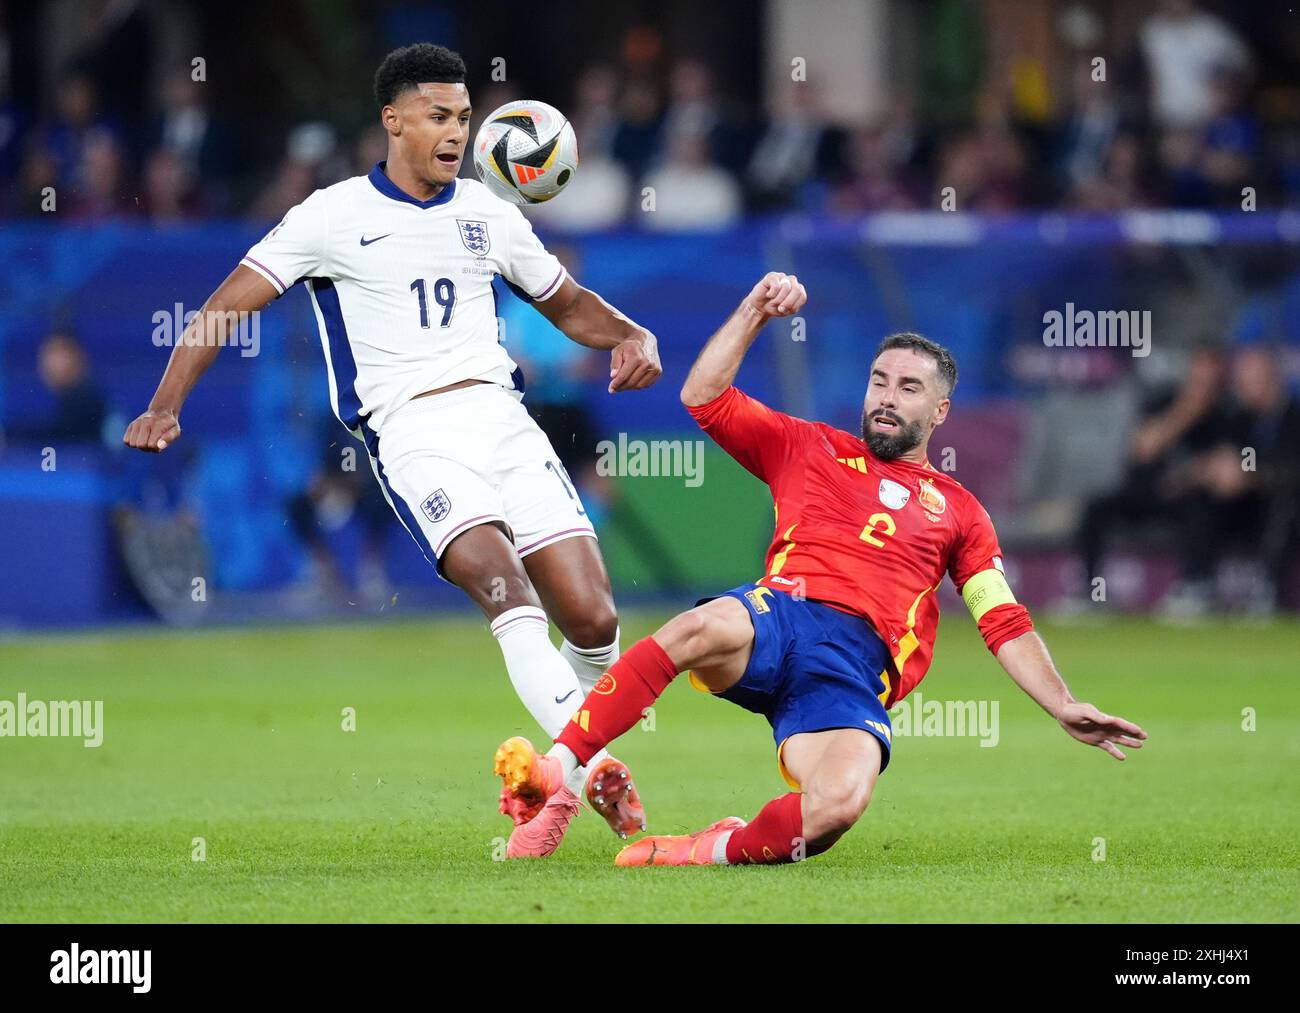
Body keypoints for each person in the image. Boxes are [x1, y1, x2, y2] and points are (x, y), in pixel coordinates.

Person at [123, 43, 663, 859]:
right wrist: (166, 404)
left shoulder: (489, 210)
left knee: (593, 616)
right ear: (394, 119)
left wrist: (629, 334)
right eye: (440, 116)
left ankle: (552, 782)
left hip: (505, 422)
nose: (456, 132)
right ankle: (600, 770)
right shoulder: (329, 216)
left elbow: (567, 302)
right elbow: (222, 306)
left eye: (464, 118)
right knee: (502, 586)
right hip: (411, 433)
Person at [495, 273, 1147, 867]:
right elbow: (703, 396)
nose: (888, 398)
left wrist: (1061, 702)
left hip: (852, 673)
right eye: (880, 381)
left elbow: (1002, 619)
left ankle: (705, 848)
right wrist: (754, 308)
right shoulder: (809, 446)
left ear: (940, 412)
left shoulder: (963, 512)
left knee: (836, 807)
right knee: (698, 626)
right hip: (779, 617)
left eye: (909, 387)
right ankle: (556, 773)